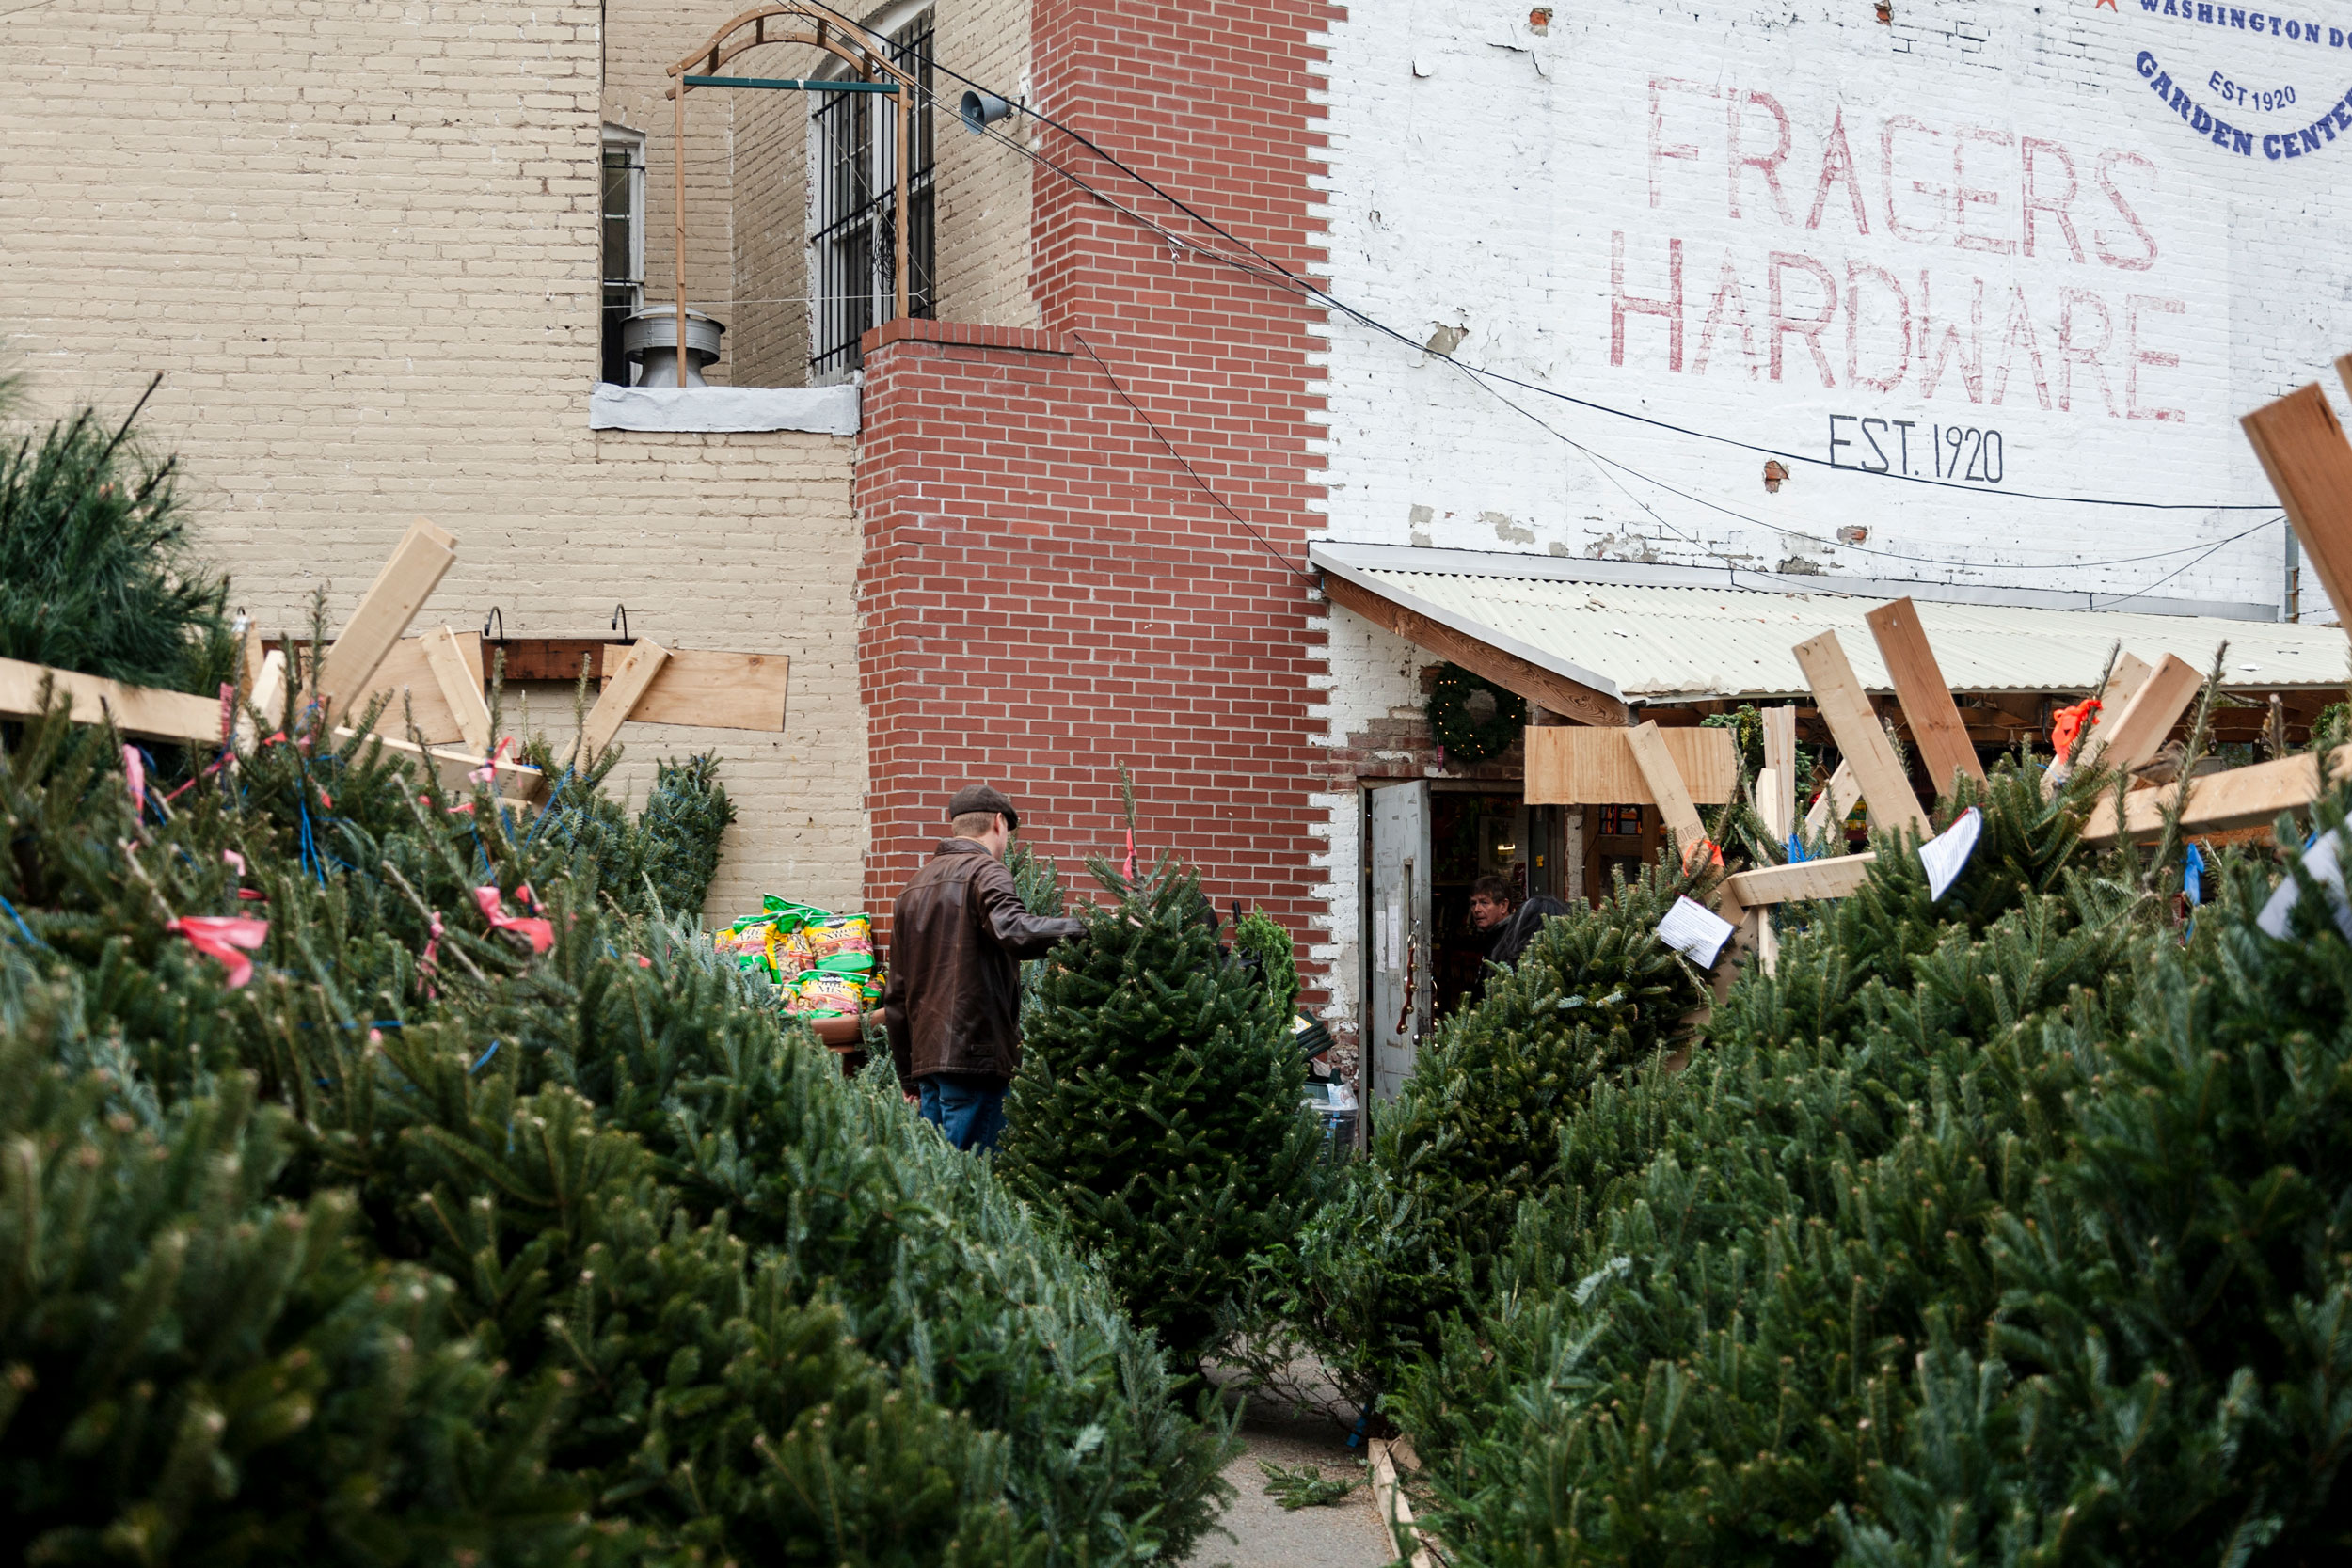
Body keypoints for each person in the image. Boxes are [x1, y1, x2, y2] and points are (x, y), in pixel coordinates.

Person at [883, 784, 1084, 1153]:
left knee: (938, 1180)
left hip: (930, 1065)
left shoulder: (912, 889)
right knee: (971, 1184)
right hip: (975, 1057)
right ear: (998, 823)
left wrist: (907, 1073)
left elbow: (895, 993)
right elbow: (1015, 929)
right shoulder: (986, 872)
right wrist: (1088, 928)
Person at [1467, 873, 1572, 977]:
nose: (1476, 909)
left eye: (1484, 902)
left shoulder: (1512, 939)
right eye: (1473, 903)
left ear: (1503, 905)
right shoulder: (1493, 936)